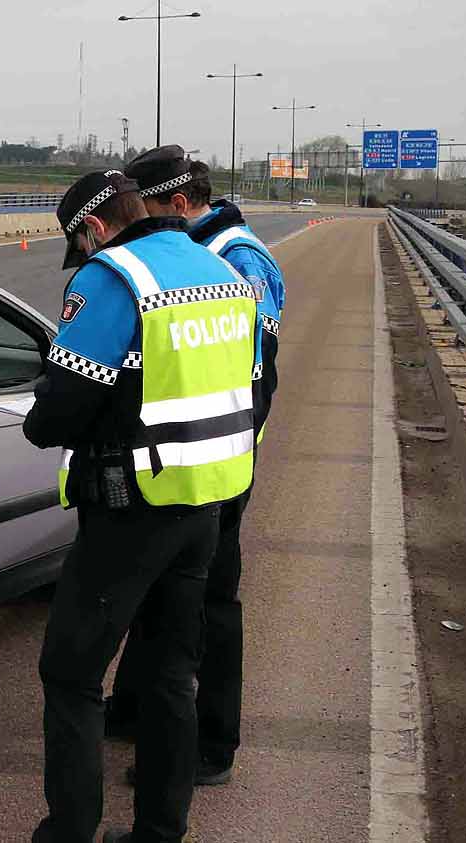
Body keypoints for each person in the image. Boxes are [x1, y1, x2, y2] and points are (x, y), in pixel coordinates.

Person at [26, 170, 259, 843]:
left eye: (83, 243)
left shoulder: (112, 278)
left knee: (71, 672)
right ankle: (161, 832)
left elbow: (59, 412)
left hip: (130, 509)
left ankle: (68, 833)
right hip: (205, 508)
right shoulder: (219, 271)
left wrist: (43, 410)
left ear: (93, 228)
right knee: (170, 677)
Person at [107, 147, 286, 787]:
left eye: (146, 213)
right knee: (155, 591)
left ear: (179, 206)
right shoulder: (189, 252)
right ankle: (131, 710)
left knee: (211, 605)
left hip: (217, 465)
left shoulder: (240, 263)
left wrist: (223, 455)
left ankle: (210, 744)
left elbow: (255, 377)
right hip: (173, 459)